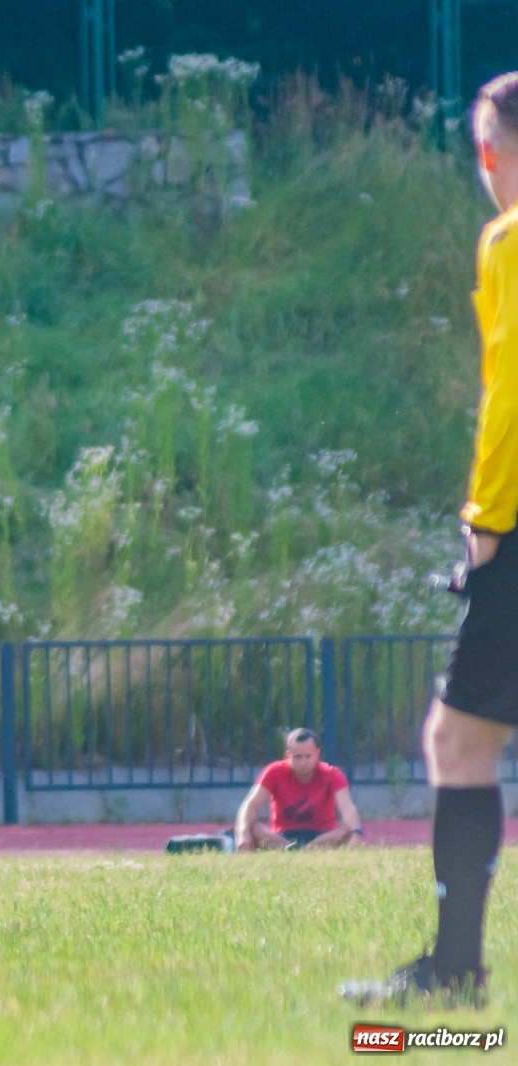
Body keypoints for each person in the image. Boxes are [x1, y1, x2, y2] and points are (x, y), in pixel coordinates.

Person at [342, 72, 518, 1008]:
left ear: (490, 149)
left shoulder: (508, 240)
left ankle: (456, 976)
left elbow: (509, 405)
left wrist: (485, 529)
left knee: (457, 742)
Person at [234, 729, 363, 851]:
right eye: (298, 757)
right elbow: (250, 804)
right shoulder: (274, 771)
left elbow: (348, 808)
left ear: (317, 753)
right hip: (282, 837)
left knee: (348, 828)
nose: (303, 762)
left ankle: (306, 849)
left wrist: (357, 833)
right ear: (288, 755)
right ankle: (290, 848)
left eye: (308, 756)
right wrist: (242, 834)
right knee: (252, 827)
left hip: (323, 836)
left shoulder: (332, 774)